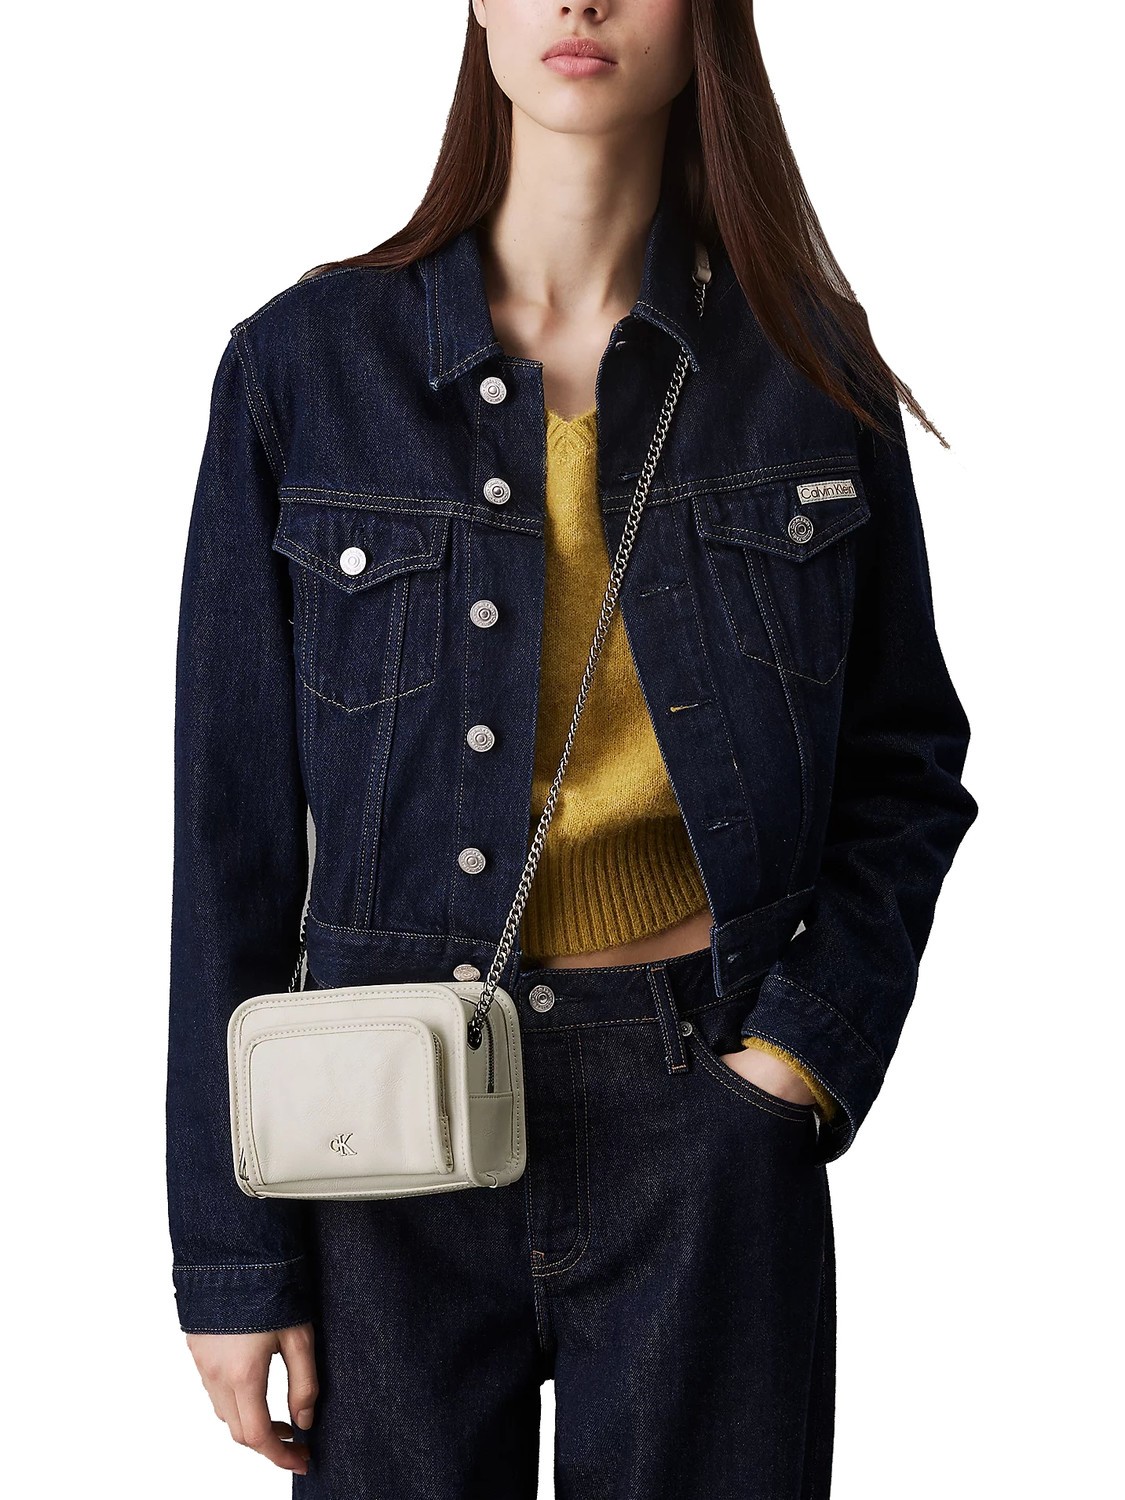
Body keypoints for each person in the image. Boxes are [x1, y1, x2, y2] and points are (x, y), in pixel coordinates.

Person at [166, 2, 978, 1495]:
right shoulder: (305, 368)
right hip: (375, 1130)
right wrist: (230, 1253)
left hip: (704, 1108)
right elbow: (229, 839)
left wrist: (793, 1061)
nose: (580, 1)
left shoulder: (806, 365)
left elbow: (904, 766)